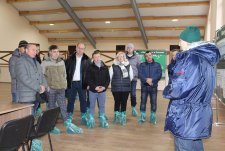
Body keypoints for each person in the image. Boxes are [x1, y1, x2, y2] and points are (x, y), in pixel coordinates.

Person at [163, 26, 221, 151]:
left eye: (180, 40)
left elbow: (180, 88)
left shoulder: (188, 59)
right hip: (199, 111)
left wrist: (167, 90)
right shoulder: (205, 59)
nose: (179, 43)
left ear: (187, 41)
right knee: (196, 145)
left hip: (186, 113)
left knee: (183, 146)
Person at [41, 45, 83, 134]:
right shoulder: (45, 63)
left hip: (61, 88)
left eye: (57, 51)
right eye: (54, 51)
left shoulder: (61, 62)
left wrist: (64, 85)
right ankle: (50, 126)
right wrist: (47, 87)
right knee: (51, 108)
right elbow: (42, 76)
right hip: (51, 89)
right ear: (50, 52)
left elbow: (64, 74)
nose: (56, 53)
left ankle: (68, 123)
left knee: (63, 106)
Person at [15, 43, 47, 113]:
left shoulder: (36, 62)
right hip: (26, 96)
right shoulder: (20, 61)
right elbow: (24, 78)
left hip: (36, 95)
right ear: (26, 50)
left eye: (36, 50)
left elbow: (42, 75)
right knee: (27, 119)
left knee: (32, 117)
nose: (35, 52)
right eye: (33, 50)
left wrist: (44, 86)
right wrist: (39, 87)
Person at [65, 42, 91, 126]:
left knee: (83, 100)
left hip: (82, 83)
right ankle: (69, 116)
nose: (80, 50)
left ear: (84, 49)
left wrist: (88, 83)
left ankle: (83, 116)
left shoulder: (87, 59)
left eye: (82, 48)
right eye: (79, 48)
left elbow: (89, 73)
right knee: (71, 100)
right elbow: (66, 71)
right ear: (76, 48)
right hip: (71, 83)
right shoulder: (70, 59)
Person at [85, 50, 110, 128]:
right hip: (93, 90)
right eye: (95, 57)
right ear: (93, 58)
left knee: (102, 106)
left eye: (98, 56)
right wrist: (94, 87)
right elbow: (88, 79)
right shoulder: (90, 67)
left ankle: (102, 120)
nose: (97, 58)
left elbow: (108, 79)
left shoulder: (105, 67)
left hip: (102, 90)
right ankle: (91, 120)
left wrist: (104, 87)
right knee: (92, 105)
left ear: (100, 57)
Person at [109, 51, 133, 126]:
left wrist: (126, 82)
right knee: (117, 101)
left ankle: (123, 117)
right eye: (119, 57)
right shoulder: (113, 66)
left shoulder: (128, 66)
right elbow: (109, 77)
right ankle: (116, 117)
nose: (120, 58)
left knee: (124, 102)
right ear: (117, 58)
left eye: (122, 56)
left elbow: (131, 77)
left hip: (126, 88)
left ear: (124, 58)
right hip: (116, 88)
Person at [138, 51, 162, 124]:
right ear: (145, 57)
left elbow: (159, 75)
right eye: (147, 56)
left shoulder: (157, 65)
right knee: (143, 102)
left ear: (152, 56)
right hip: (144, 86)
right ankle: (142, 117)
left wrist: (152, 80)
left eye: (150, 55)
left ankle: (153, 117)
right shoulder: (142, 65)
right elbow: (140, 74)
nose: (148, 57)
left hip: (153, 86)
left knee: (153, 102)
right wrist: (146, 80)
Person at [126, 43, 141, 117]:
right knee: (125, 94)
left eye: (131, 48)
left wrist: (138, 76)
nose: (129, 49)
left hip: (134, 79)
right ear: (127, 49)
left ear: (133, 49)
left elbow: (139, 67)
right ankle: (123, 109)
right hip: (125, 79)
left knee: (133, 94)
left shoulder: (137, 57)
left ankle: (133, 108)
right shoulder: (123, 56)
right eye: (128, 48)